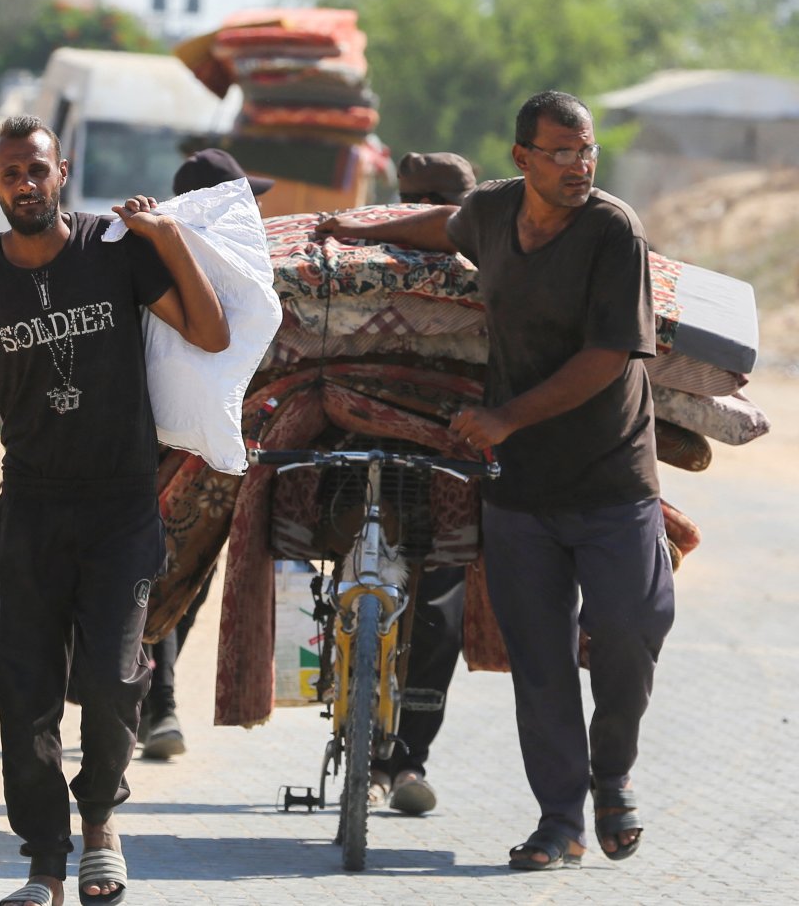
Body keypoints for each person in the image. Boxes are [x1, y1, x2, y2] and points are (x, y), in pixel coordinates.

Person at [316, 91, 672, 870]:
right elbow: (440, 228)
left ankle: (612, 773)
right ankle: (560, 821)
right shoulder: (493, 212)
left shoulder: (612, 230)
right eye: (562, 153)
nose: (579, 166)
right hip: (520, 491)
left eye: (587, 153)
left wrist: (506, 417)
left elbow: (609, 357)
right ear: (523, 158)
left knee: (628, 631)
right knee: (541, 665)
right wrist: (356, 227)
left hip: (611, 478)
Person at [0, 115, 228, 906]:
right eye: (10, 174)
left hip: (120, 507)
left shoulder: (114, 250)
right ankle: (43, 865)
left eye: (38, 169)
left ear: (61, 171)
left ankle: (101, 819)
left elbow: (210, 330)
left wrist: (163, 237)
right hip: (27, 509)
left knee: (110, 677)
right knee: (23, 690)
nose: (26, 184)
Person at [139, 147, 274, 762]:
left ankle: (153, 700)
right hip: (171, 443)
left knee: (174, 565)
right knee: (167, 564)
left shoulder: (170, 249)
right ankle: (156, 701)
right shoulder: (187, 254)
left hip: (183, 438)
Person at [367, 149, 478, 815]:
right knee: (339, 591)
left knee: (439, 614)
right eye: (414, 198)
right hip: (361, 447)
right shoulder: (366, 262)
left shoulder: (493, 263)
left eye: (440, 201)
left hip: (451, 461)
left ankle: (408, 761)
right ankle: (362, 738)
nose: (427, 213)